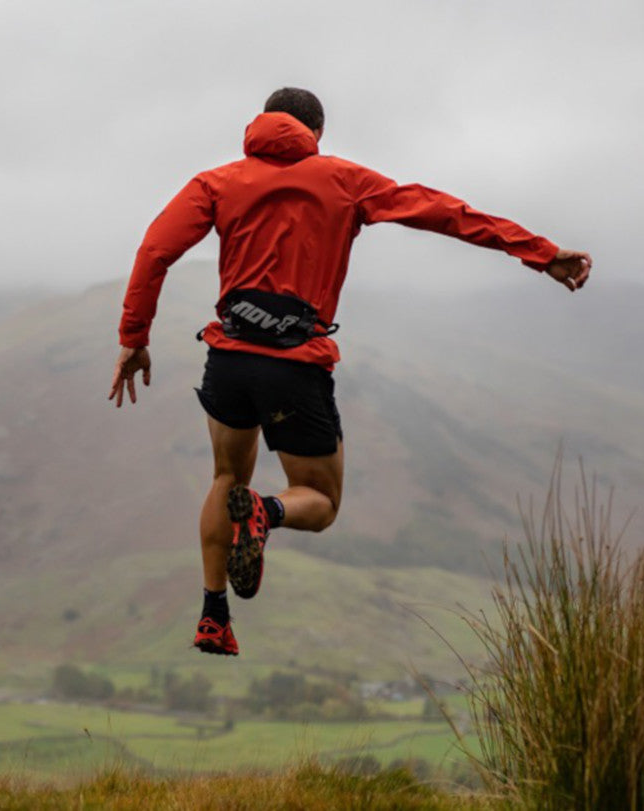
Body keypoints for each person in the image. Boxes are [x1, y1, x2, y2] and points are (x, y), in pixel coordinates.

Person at [108, 87, 592, 656]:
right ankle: (266, 512)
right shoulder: (343, 180)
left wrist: (134, 339)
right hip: (294, 366)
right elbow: (443, 212)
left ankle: (214, 615)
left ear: (260, 123)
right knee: (320, 500)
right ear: (317, 133)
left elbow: (154, 251)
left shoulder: (215, 182)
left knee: (224, 477)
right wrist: (539, 251)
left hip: (230, 359)